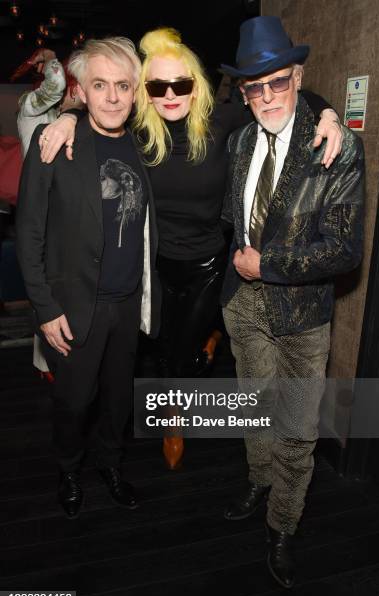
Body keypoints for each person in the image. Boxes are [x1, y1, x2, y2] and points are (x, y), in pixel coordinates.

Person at [38, 28, 342, 469]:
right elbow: (93, 114)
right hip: (153, 265)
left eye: (179, 84)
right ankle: (202, 347)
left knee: (180, 354)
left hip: (206, 265)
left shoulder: (225, 120)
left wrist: (329, 114)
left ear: (196, 85)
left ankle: (175, 418)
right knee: (159, 344)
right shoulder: (136, 131)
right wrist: (66, 117)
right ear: (145, 92)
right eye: (157, 86)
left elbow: (296, 94)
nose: (169, 95)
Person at [220, 16, 365, 588]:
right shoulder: (238, 142)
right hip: (243, 307)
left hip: (302, 315)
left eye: (277, 81)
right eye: (254, 87)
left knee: (298, 428)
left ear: (299, 76)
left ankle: (284, 524)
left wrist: (269, 265)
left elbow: (345, 250)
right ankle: (259, 480)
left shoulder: (335, 145)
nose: (266, 97)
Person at [16, 37, 161, 519]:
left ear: (137, 92)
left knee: (118, 402)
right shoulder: (53, 142)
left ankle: (111, 464)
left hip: (128, 304)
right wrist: (45, 307)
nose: (114, 97)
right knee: (74, 402)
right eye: (101, 85)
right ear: (82, 89)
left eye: (123, 85)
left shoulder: (149, 147)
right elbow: (28, 234)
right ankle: (69, 469)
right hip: (76, 307)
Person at [14, 47, 84, 376]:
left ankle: (56, 363)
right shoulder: (30, 111)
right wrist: (51, 56)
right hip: (41, 221)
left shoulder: (68, 121)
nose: (76, 93)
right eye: (75, 87)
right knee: (45, 293)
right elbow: (54, 84)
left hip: (64, 221)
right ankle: (50, 366)